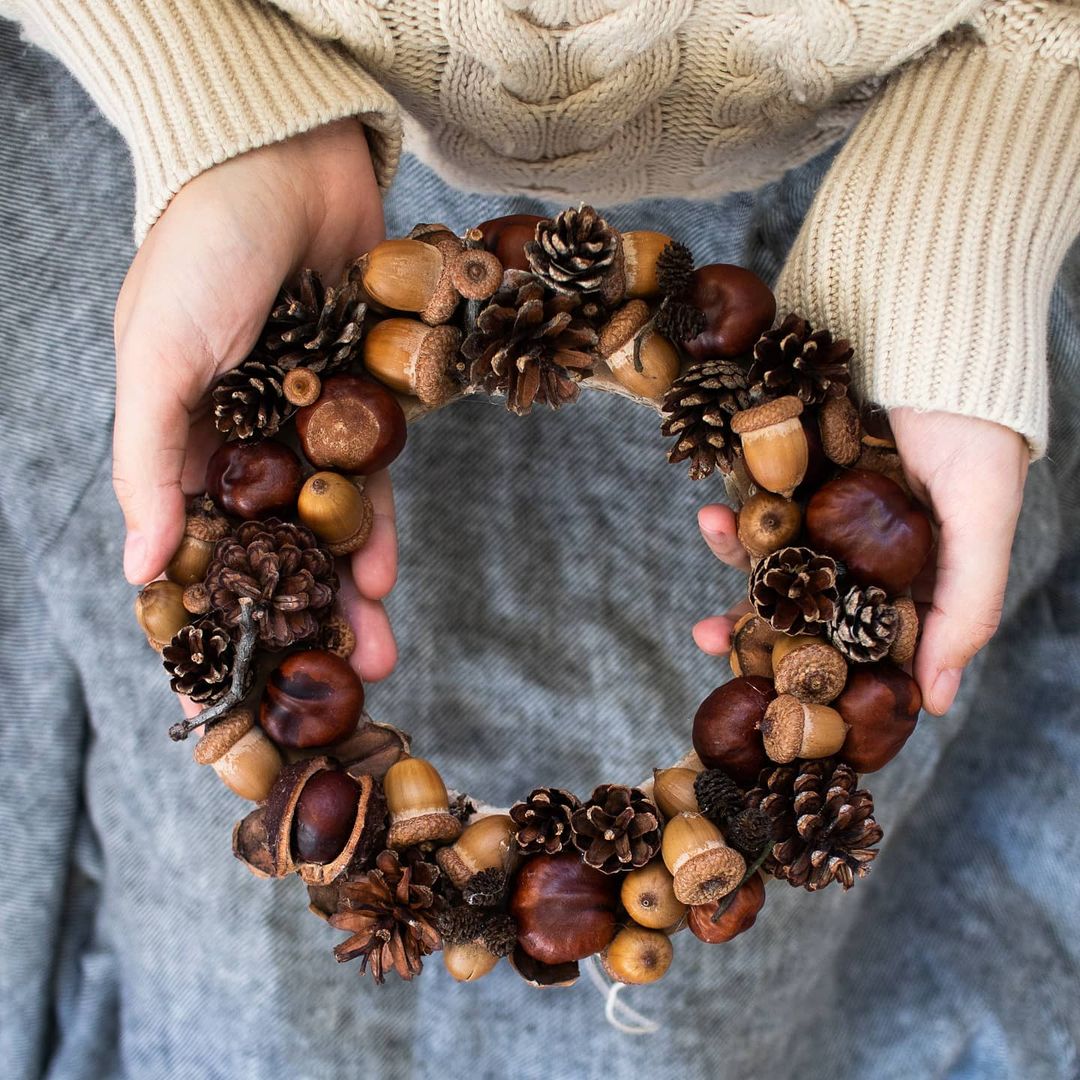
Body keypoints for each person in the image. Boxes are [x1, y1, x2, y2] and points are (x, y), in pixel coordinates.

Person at [0, 3, 1077, 1078]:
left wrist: (990, 160)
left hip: (901, 216)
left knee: (748, 1007)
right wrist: (212, 95)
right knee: (240, 984)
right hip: (230, 180)